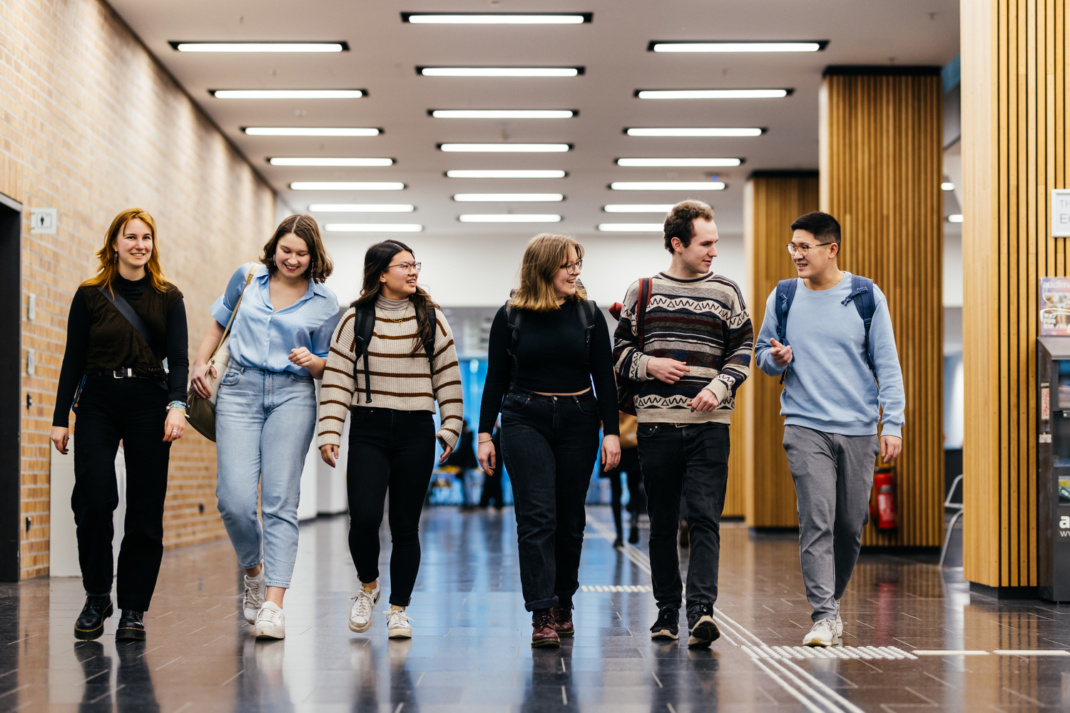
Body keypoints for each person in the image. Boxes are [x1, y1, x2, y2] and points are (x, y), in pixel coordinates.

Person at [754, 211, 905, 647]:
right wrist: (774, 359)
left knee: (849, 525)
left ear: (831, 248)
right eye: (793, 247)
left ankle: (831, 604)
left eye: (805, 247)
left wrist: (890, 422)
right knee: (816, 519)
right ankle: (823, 616)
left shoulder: (864, 295)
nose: (796, 255)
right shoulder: (783, 296)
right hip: (804, 424)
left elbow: (887, 366)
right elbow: (762, 353)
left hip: (858, 427)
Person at [190, 214, 339, 640]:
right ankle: (253, 571)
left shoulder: (325, 302)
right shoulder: (247, 278)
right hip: (238, 389)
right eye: (286, 250)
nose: (292, 259)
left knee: (279, 500)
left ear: (314, 257)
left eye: (301, 253)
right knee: (233, 500)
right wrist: (200, 363)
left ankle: (274, 604)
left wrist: (315, 363)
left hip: (293, 395)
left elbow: (334, 361)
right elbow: (219, 324)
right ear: (274, 248)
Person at [613, 200, 752, 649]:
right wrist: (648, 364)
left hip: (710, 426)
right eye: (706, 243)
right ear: (678, 243)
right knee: (662, 523)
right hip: (656, 428)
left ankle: (701, 612)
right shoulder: (644, 290)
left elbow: (743, 350)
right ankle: (667, 611)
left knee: (705, 520)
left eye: (715, 242)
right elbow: (617, 354)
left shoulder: (728, 292)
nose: (714, 251)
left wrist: (721, 386)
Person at [51, 207, 189, 641]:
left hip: (149, 402)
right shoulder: (90, 295)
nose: (139, 245)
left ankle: (133, 608)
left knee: (145, 509)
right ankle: (97, 595)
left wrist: (176, 405)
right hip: (98, 402)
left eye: (146, 238)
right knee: (93, 497)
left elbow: (180, 360)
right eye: (130, 237)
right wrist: (60, 420)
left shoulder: (169, 296)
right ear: (115, 243)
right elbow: (73, 358)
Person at [477, 233, 621, 648]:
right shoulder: (510, 316)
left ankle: (563, 603)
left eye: (578, 263)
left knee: (570, 517)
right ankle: (541, 612)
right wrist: (485, 433)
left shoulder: (589, 315)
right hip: (524, 417)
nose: (576, 271)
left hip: (579, 418)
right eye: (567, 264)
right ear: (543, 268)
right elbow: (495, 380)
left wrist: (610, 431)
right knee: (537, 515)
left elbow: (605, 383)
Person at [317, 240, 464, 639]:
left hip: (416, 428)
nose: (413, 271)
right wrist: (330, 430)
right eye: (404, 266)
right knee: (363, 518)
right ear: (382, 273)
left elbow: (447, 375)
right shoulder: (356, 318)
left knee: (405, 525)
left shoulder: (432, 318)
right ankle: (368, 587)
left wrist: (451, 424)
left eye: (415, 264)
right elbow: (337, 379)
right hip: (369, 427)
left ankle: (398, 609)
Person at [602, 412, 643, 547]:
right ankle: (634, 523)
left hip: (613, 442)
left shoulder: (610, 392)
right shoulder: (631, 391)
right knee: (634, 489)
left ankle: (619, 535)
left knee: (616, 491)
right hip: (633, 443)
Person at [478, 421, 505, 510]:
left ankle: (497, 503)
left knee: (496, 482)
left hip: (498, 462)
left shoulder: (500, 432)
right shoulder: (492, 434)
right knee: (489, 482)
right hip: (492, 462)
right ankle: (486, 503)